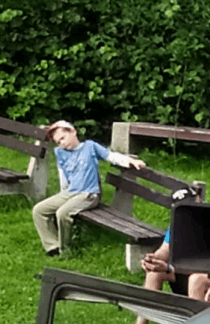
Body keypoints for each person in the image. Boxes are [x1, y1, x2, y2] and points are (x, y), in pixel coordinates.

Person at [33, 120, 146, 256]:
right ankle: (53, 246)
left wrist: (130, 161)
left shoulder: (90, 147)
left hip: (89, 194)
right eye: (58, 142)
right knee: (39, 210)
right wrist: (63, 194)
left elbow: (111, 156)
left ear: (73, 132)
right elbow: (63, 174)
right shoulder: (60, 152)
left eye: (63, 138)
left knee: (62, 213)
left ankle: (65, 250)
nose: (62, 143)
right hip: (70, 192)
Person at [135, 227, 189, 324]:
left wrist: (169, 268)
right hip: (180, 272)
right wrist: (152, 260)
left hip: (205, 276)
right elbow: (164, 251)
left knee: (196, 281)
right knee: (154, 274)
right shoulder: (180, 220)